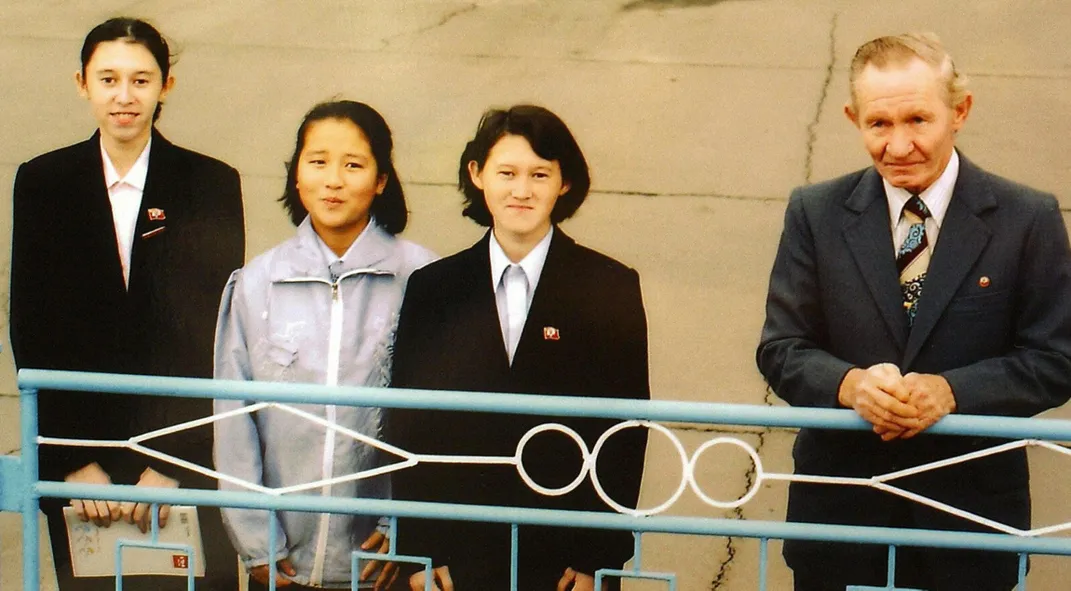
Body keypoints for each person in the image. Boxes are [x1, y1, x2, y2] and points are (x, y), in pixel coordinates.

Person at [756, 32, 1071, 591]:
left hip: (969, 527)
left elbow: (1055, 359)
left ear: (960, 111)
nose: (898, 147)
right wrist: (850, 385)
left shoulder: (1029, 218)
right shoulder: (815, 213)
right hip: (841, 520)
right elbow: (782, 347)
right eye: (879, 125)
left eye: (918, 121)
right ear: (854, 118)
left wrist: (952, 392)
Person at [8, 17, 245, 590]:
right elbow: (33, 327)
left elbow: (214, 333)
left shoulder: (208, 184)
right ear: (81, 83)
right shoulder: (44, 182)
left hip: (178, 467)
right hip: (81, 469)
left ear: (166, 85)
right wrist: (73, 461)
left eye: (140, 80)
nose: (124, 96)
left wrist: (172, 461)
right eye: (108, 78)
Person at [389, 104, 650, 591]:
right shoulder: (434, 288)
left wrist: (598, 557)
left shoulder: (609, 285)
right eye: (506, 172)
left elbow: (625, 427)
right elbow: (410, 425)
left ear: (564, 182)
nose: (522, 190)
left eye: (540, 174)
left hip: (567, 561)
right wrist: (422, 550)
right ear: (478, 174)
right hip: (457, 556)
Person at [213, 99, 435, 591]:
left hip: (385, 566)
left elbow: (440, 425)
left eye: (353, 165)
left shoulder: (423, 278)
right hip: (283, 567)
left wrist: (405, 527)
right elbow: (233, 420)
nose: (333, 180)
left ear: (380, 180)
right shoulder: (256, 283)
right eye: (317, 162)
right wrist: (257, 545)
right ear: (296, 174)